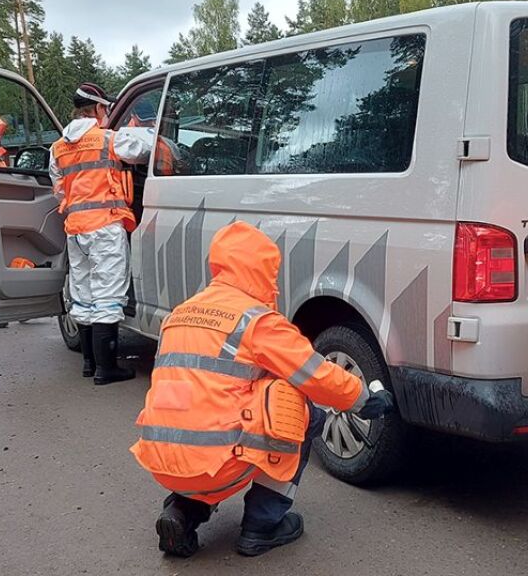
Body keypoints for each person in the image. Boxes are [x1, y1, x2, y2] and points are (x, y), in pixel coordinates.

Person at [130, 221, 395, 558]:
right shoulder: (255, 322)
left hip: (162, 458)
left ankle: (182, 511)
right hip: (214, 463)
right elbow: (315, 374)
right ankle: (262, 525)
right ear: (262, 269)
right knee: (296, 407)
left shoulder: (180, 314)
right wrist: (362, 399)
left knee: (205, 413)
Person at [50, 82, 152, 385]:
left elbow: (59, 189)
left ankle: (89, 363)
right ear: (97, 109)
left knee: (82, 294)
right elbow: (146, 151)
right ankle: (107, 369)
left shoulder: (57, 148)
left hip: (75, 230)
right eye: (106, 109)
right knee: (108, 295)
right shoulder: (109, 139)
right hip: (105, 227)